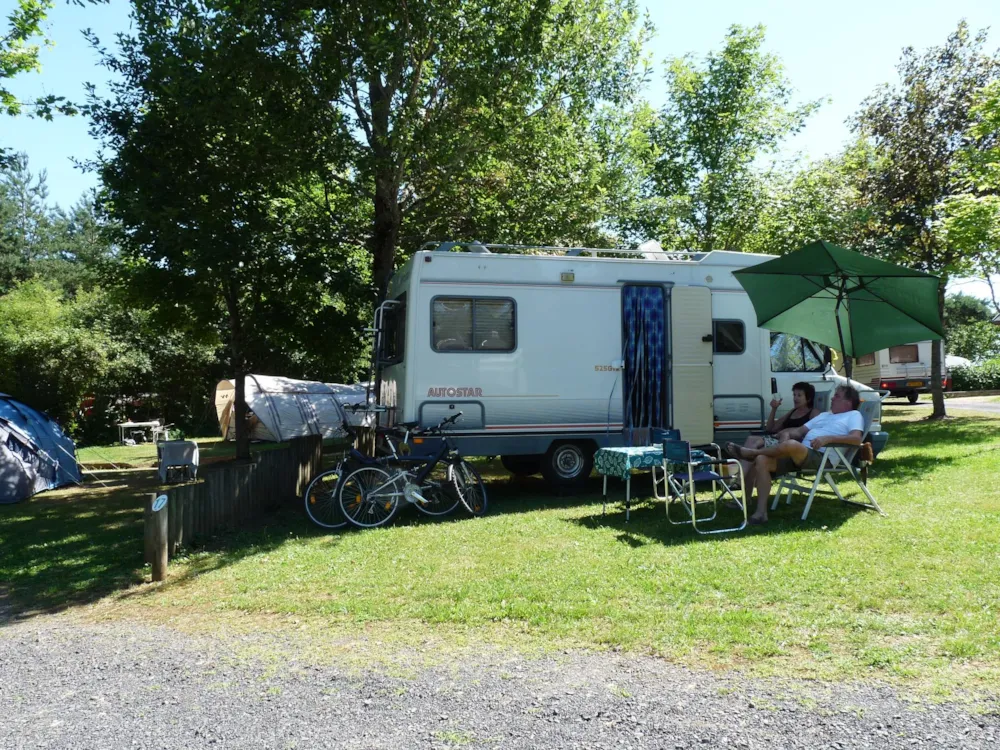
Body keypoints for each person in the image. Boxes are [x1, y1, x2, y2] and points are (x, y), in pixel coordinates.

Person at [725, 385, 865, 525]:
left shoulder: (854, 415)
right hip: (800, 453)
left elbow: (856, 438)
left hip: (822, 456)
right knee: (762, 460)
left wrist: (828, 439)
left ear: (848, 402)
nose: (832, 398)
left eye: (837, 396)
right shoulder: (824, 415)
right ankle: (761, 513)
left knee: (790, 445)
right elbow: (798, 431)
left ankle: (752, 453)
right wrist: (786, 433)